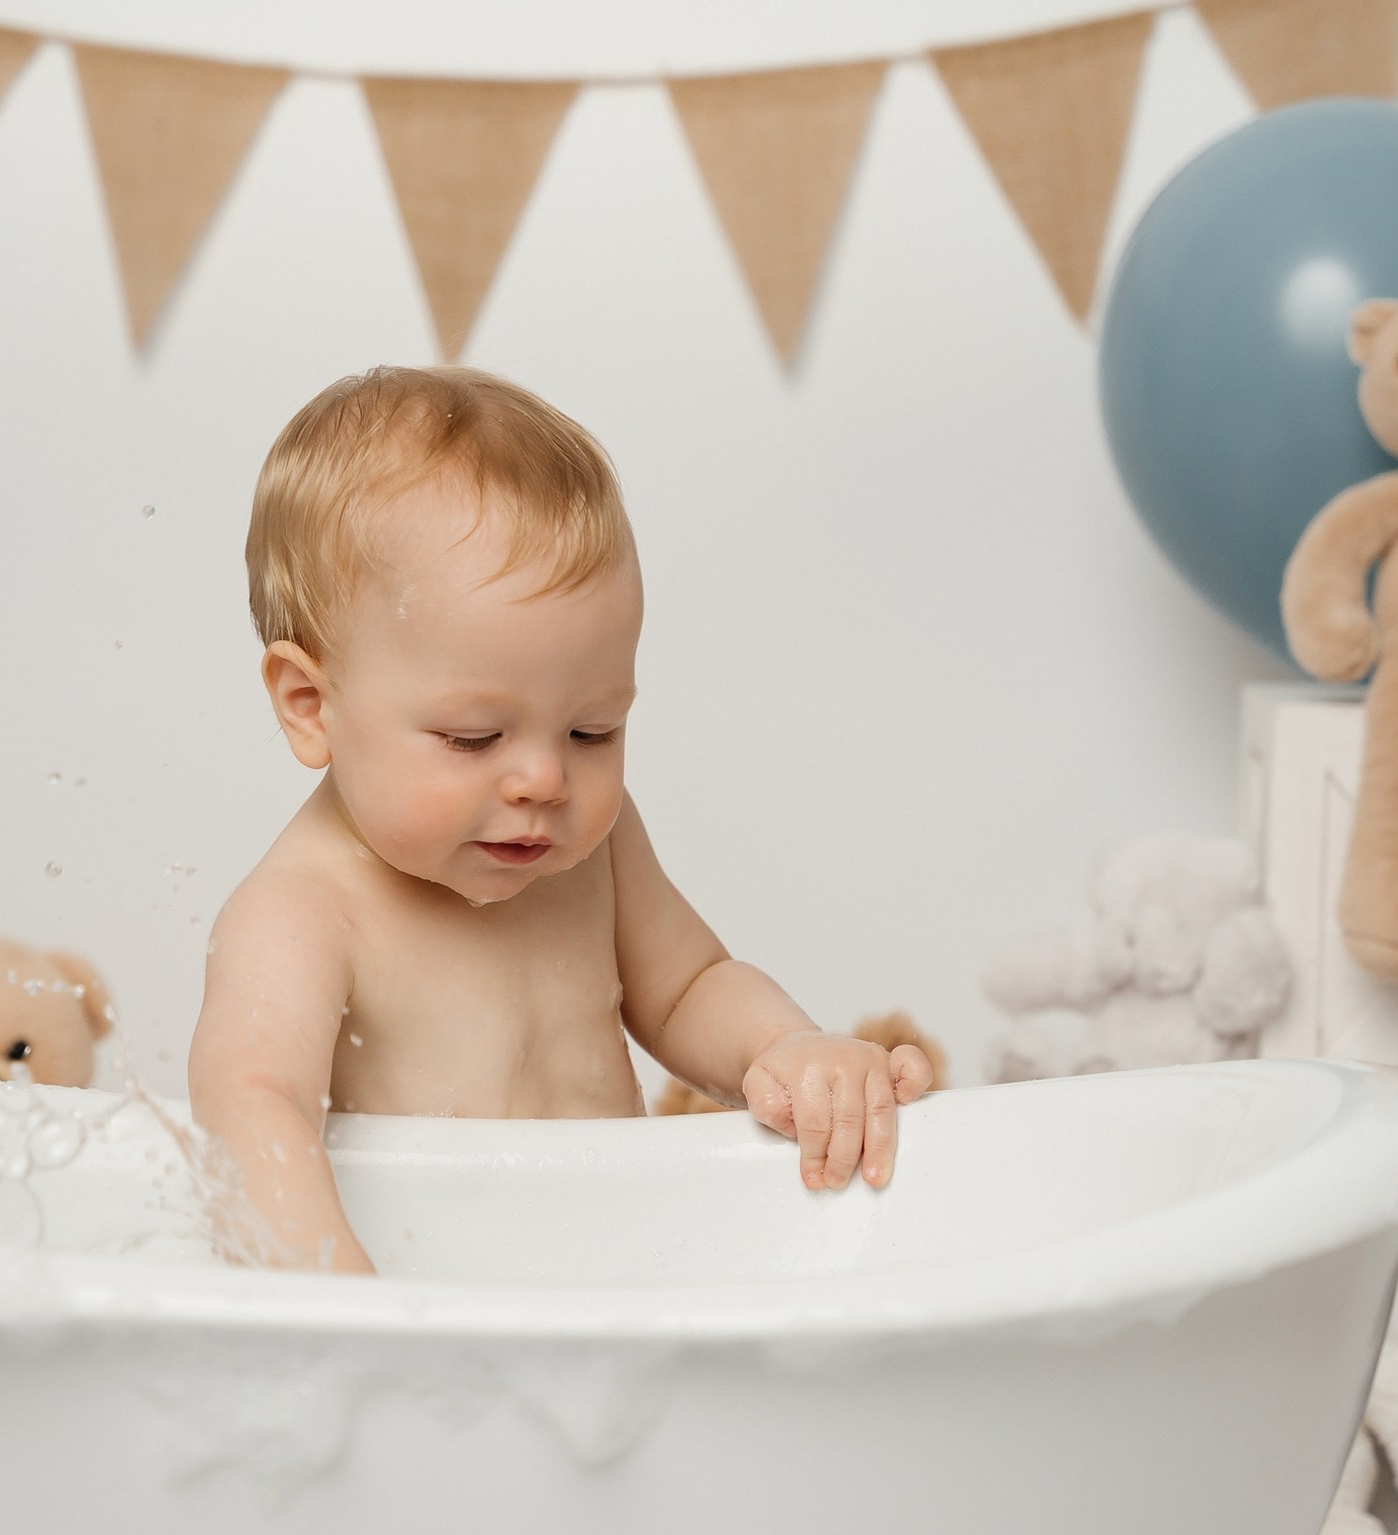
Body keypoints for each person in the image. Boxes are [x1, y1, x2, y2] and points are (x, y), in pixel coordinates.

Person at [188, 367, 932, 1273]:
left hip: (611, 1283)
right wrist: (335, 1293)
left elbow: (690, 986)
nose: (543, 777)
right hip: (425, 1304)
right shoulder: (304, 910)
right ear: (311, 704)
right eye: (474, 737)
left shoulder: (592, 851)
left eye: (592, 729)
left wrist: (784, 1046)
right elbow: (250, 1100)